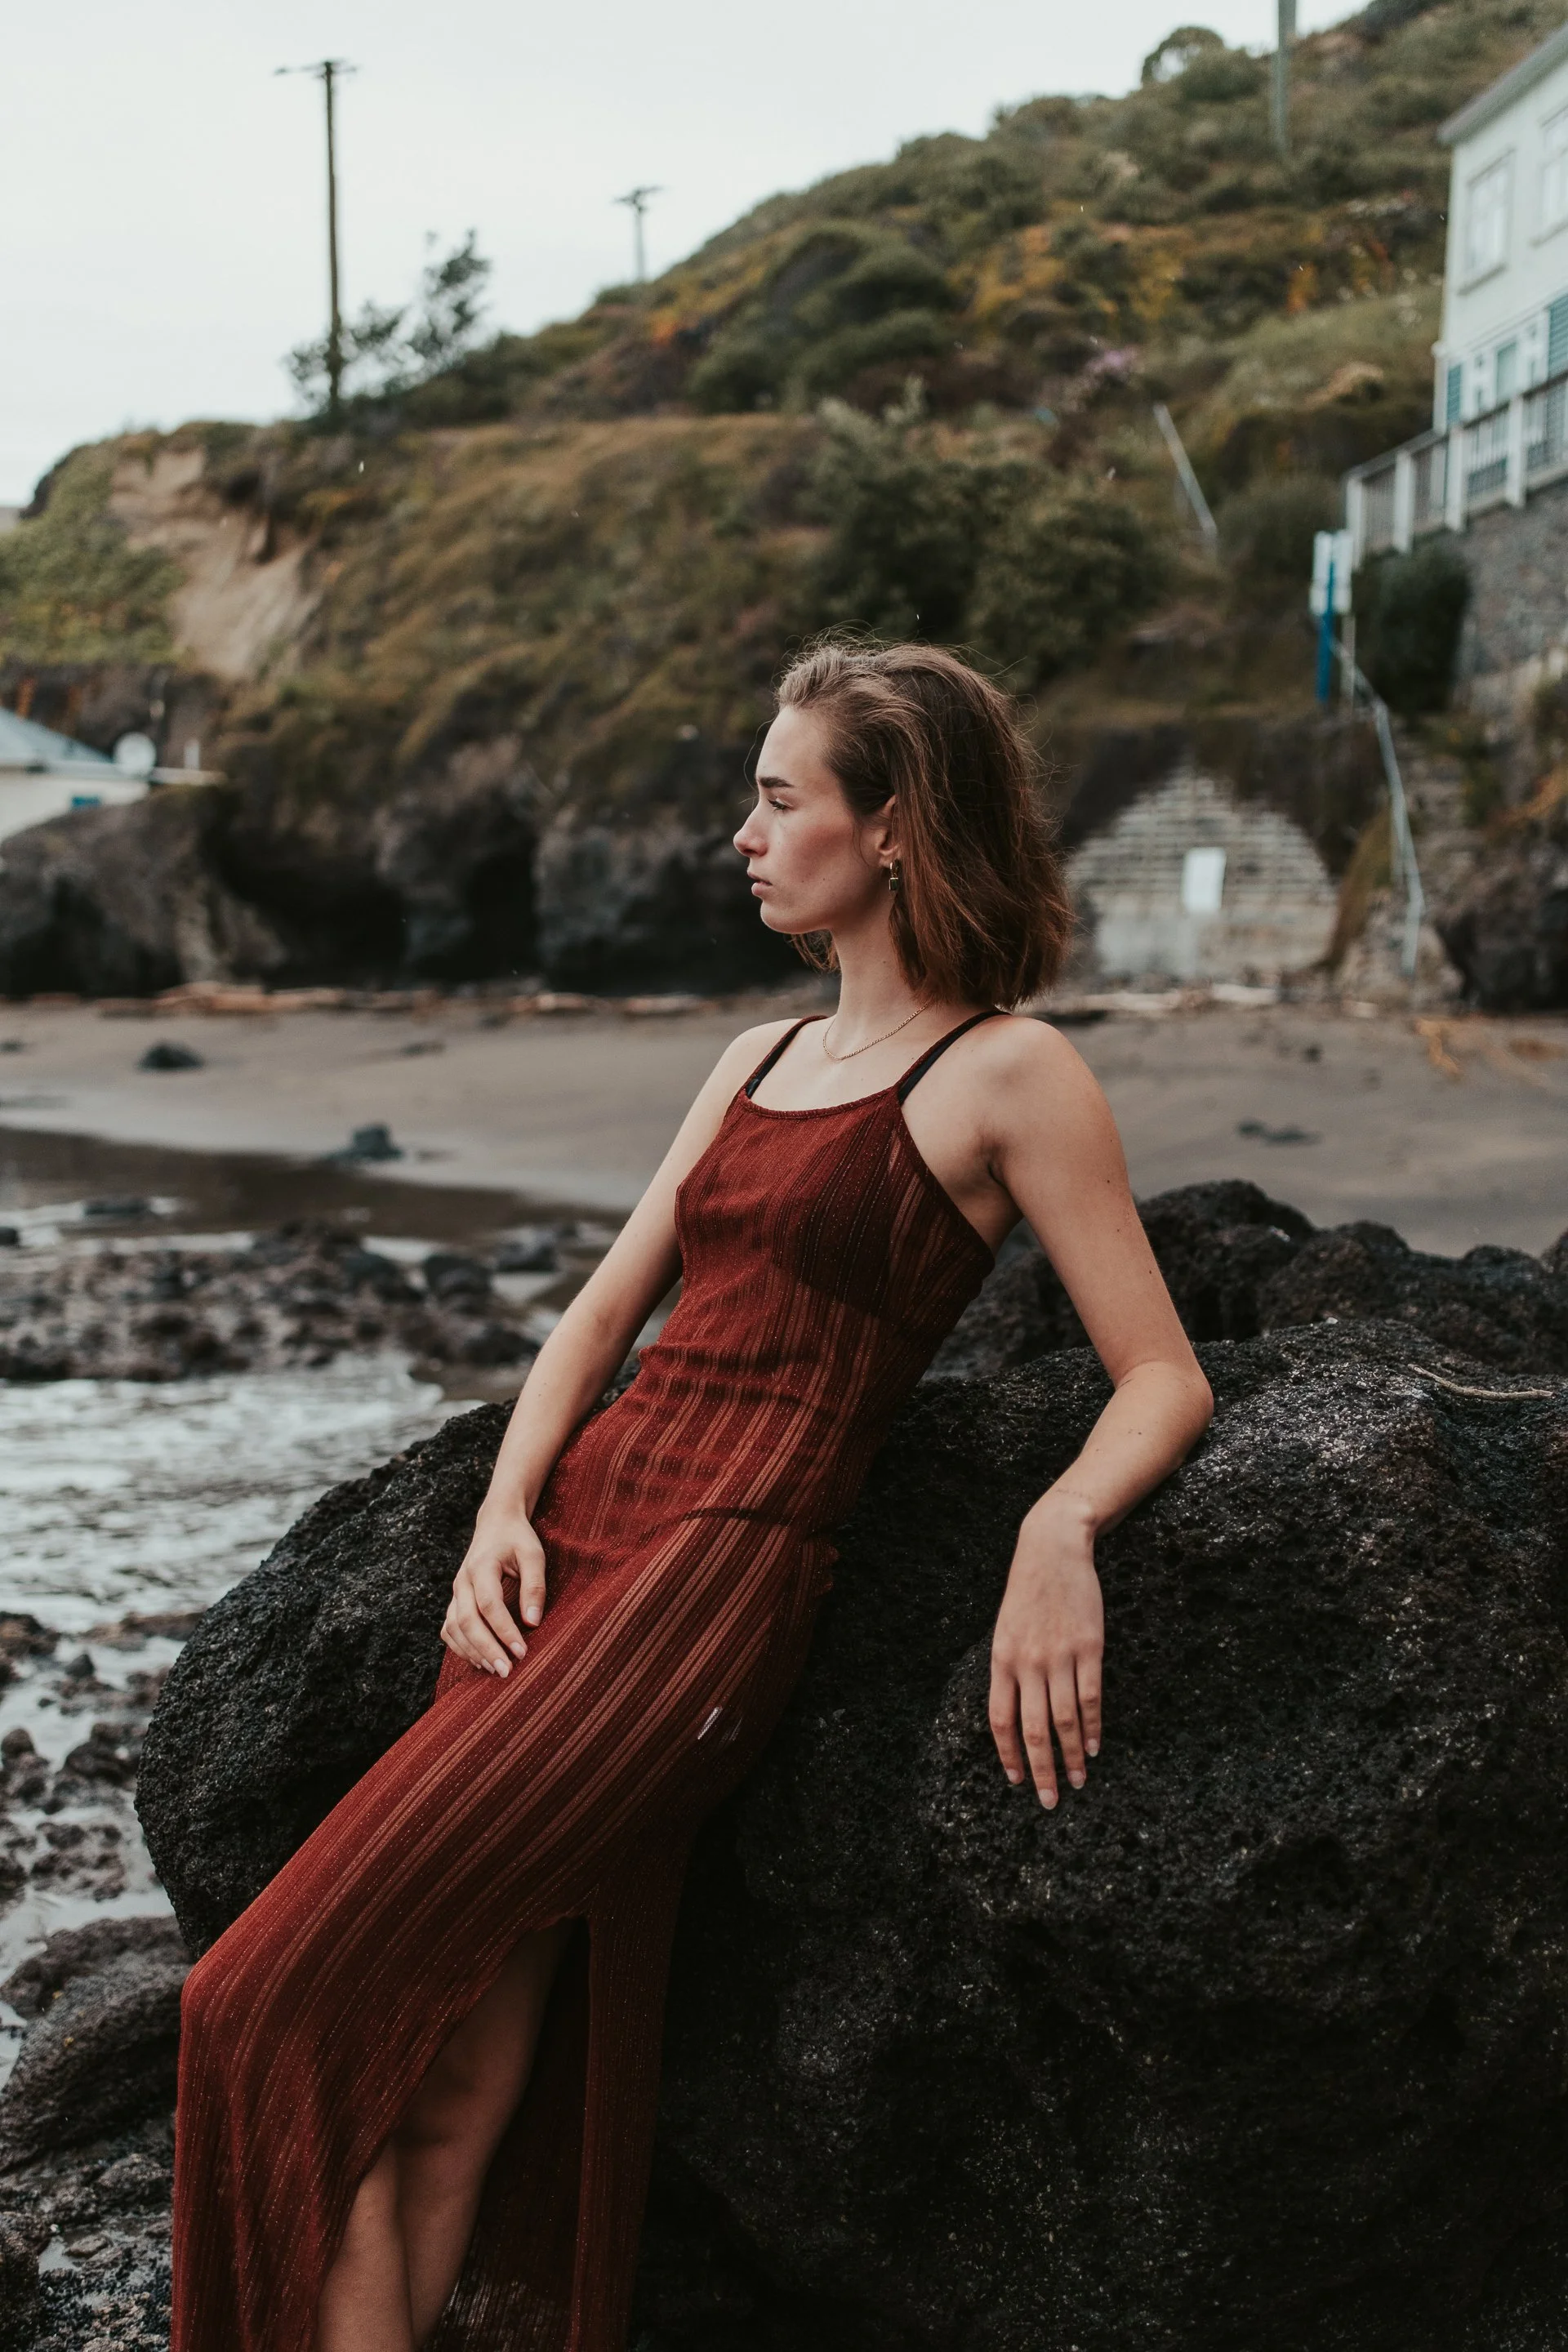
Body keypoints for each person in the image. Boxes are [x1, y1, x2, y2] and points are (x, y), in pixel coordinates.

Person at [172, 639, 1214, 2352]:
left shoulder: (1010, 1076)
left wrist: (1059, 1524)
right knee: (443, 2096)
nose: (742, 831)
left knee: (254, 2007)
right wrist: (500, 1514)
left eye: (778, 796)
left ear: (892, 831)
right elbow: (601, 1313)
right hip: (562, 1558)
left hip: (707, 1592)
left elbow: (1164, 1370)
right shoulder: (749, 1057)